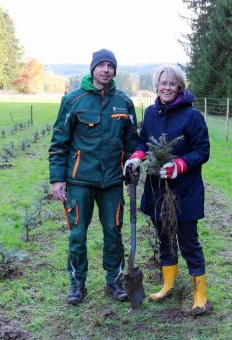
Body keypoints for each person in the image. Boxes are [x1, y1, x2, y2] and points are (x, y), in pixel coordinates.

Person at [49, 49, 138, 305]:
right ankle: (77, 284)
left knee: (113, 232)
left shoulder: (124, 102)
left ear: (114, 71)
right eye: (102, 65)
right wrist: (57, 179)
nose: (106, 70)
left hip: (111, 183)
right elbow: (59, 142)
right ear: (93, 69)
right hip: (79, 182)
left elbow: (132, 142)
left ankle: (115, 282)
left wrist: (133, 164)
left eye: (111, 66)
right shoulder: (73, 100)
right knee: (78, 235)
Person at [123, 64, 212, 316]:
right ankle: (168, 285)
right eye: (163, 83)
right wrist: (136, 156)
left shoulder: (192, 116)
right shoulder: (151, 112)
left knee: (188, 242)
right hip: (157, 189)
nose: (167, 87)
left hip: (184, 191)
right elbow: (143, 140)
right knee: (164, 238)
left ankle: (199, 295)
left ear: (180, 86)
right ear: (156, 86)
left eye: (172, 83)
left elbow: (203, 150)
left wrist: (180, 164)